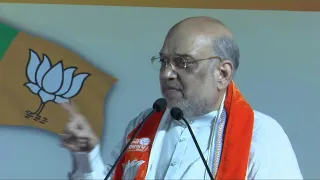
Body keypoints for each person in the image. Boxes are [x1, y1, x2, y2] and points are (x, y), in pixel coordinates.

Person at [60, 16, 303, 179]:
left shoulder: (260, 135)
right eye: (164, 61)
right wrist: (86, 155)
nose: (166, 73)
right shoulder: (144, 125)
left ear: (223, 73)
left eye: (183, 62)